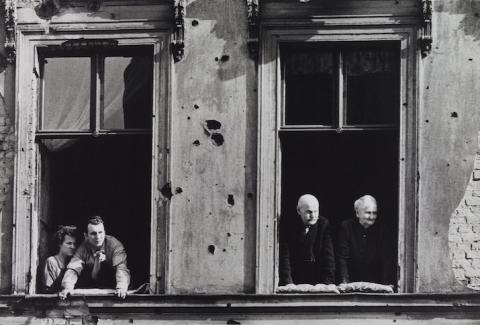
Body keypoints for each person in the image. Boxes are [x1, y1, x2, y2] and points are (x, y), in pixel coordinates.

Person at [59, 216, 130, 299]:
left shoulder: (115, 245)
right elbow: (73, 268)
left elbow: (121, 267)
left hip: (115, 291)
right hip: (92, 289)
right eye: (93, 233)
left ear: (104, 232)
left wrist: (121, 287)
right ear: (86, 235)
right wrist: (67, 287)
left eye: (100, 232)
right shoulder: (83, 247)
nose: (98, 237)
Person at [278, 194, 335, 285]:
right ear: (298, 210)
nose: (313, 215)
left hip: (317, 278)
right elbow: (284, 256)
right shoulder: (288, 225)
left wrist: (327, 284)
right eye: (309, 212)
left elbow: (328, 258)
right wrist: (288, 283)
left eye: (316, 211)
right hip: (294, 277)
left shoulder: (323, 224)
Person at [336, 195, 394, 284]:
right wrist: (345, 283)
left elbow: (386, 259)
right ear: (357, 213)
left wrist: (385, 284)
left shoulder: (382, 229)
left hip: (375, 281)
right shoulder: (346, 227)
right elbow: (342, 258)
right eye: (368, 212)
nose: (372, 217)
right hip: (351, 280)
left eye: (374, 213)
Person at [42, 225, 77, 293]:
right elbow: (47, 290)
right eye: (69, 243)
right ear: (60, 244)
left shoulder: (73, 262)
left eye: (74, 244)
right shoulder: (51, 262)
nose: (72, 246)